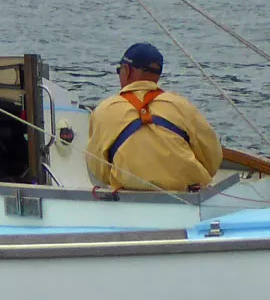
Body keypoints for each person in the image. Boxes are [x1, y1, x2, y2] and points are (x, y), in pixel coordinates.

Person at [86, 42, 222, 192]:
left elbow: (97, 167)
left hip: (128, 195)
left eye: (119, 70)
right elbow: (212, 159)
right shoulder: (181, 106)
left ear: (127, 71)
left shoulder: (104, 110)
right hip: (186, 196)